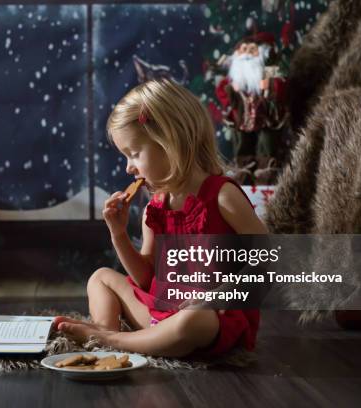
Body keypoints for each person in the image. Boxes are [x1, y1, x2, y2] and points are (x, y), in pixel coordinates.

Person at [55, 79, 268, 357]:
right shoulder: (155, 208)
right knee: (101, 278)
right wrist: (118, 235)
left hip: (210, 321)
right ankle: (105, 338)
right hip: (159, 314)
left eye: (133, 154)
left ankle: (112, 341)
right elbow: (146, 280)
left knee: (193, 318)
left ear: (170, 143)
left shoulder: (221, 196)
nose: (129, 167)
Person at [215, 33, 287, 170]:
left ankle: (266, 169)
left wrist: (270, 85)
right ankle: (244, 168)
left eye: (252, 50)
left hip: (265, 118)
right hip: (243, 119)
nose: (247, 53)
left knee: (266, 144)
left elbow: (282, 87)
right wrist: (230, 89)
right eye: (244, 49)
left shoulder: (268, 73)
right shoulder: (235, 77)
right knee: (243, 144)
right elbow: (222, 92)